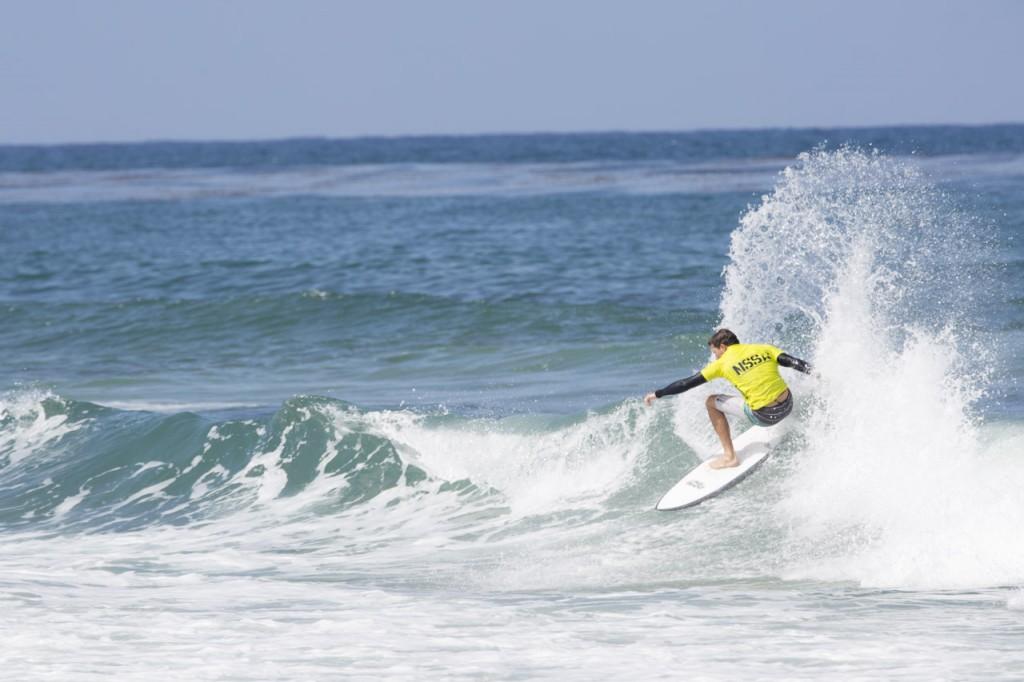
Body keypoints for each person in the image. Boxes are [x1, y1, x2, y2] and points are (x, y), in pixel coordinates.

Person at [643, 328, 811, 469]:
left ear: (722, 347)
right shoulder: (763, 348)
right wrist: (819, 372)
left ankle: (730, 457)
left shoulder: (722, 363)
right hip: (788, 405)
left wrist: (658, 394)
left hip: (766, 416)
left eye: (715, 352)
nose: (715, 357)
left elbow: (685, 384)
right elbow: (794, 362)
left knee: (711, 402)